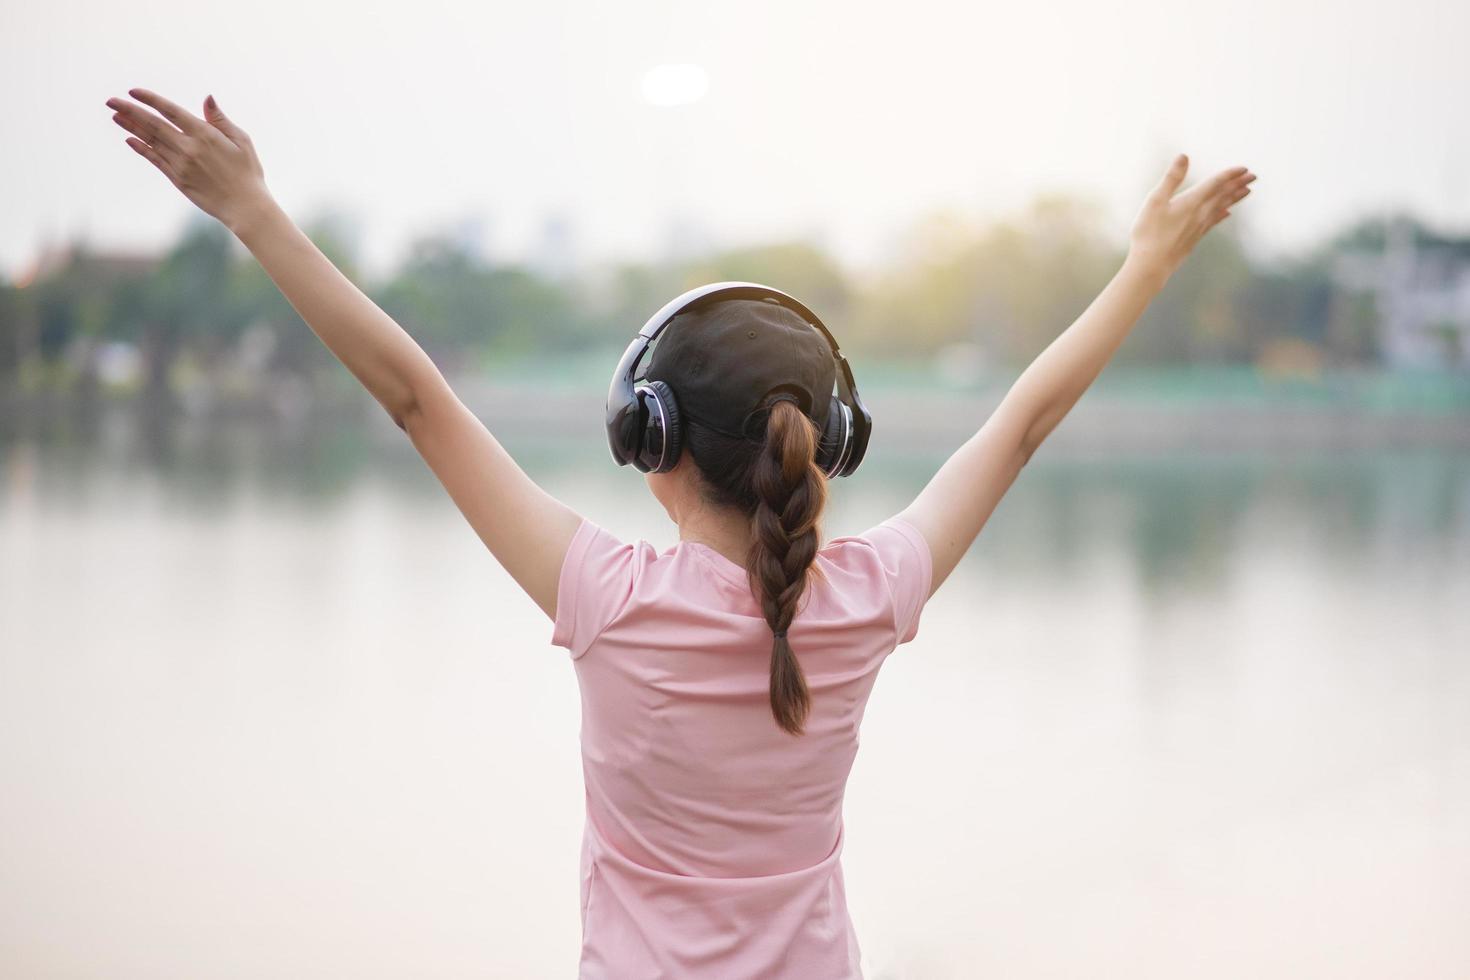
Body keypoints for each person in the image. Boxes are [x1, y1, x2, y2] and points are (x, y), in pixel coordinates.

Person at [103, 87, 1256, 978]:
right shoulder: (867, 597)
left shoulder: (607, 596)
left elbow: (414, 396)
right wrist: (1145, 267)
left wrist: (252, 210)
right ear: (831, 436)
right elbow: (1021, 425)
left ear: (647, 434)